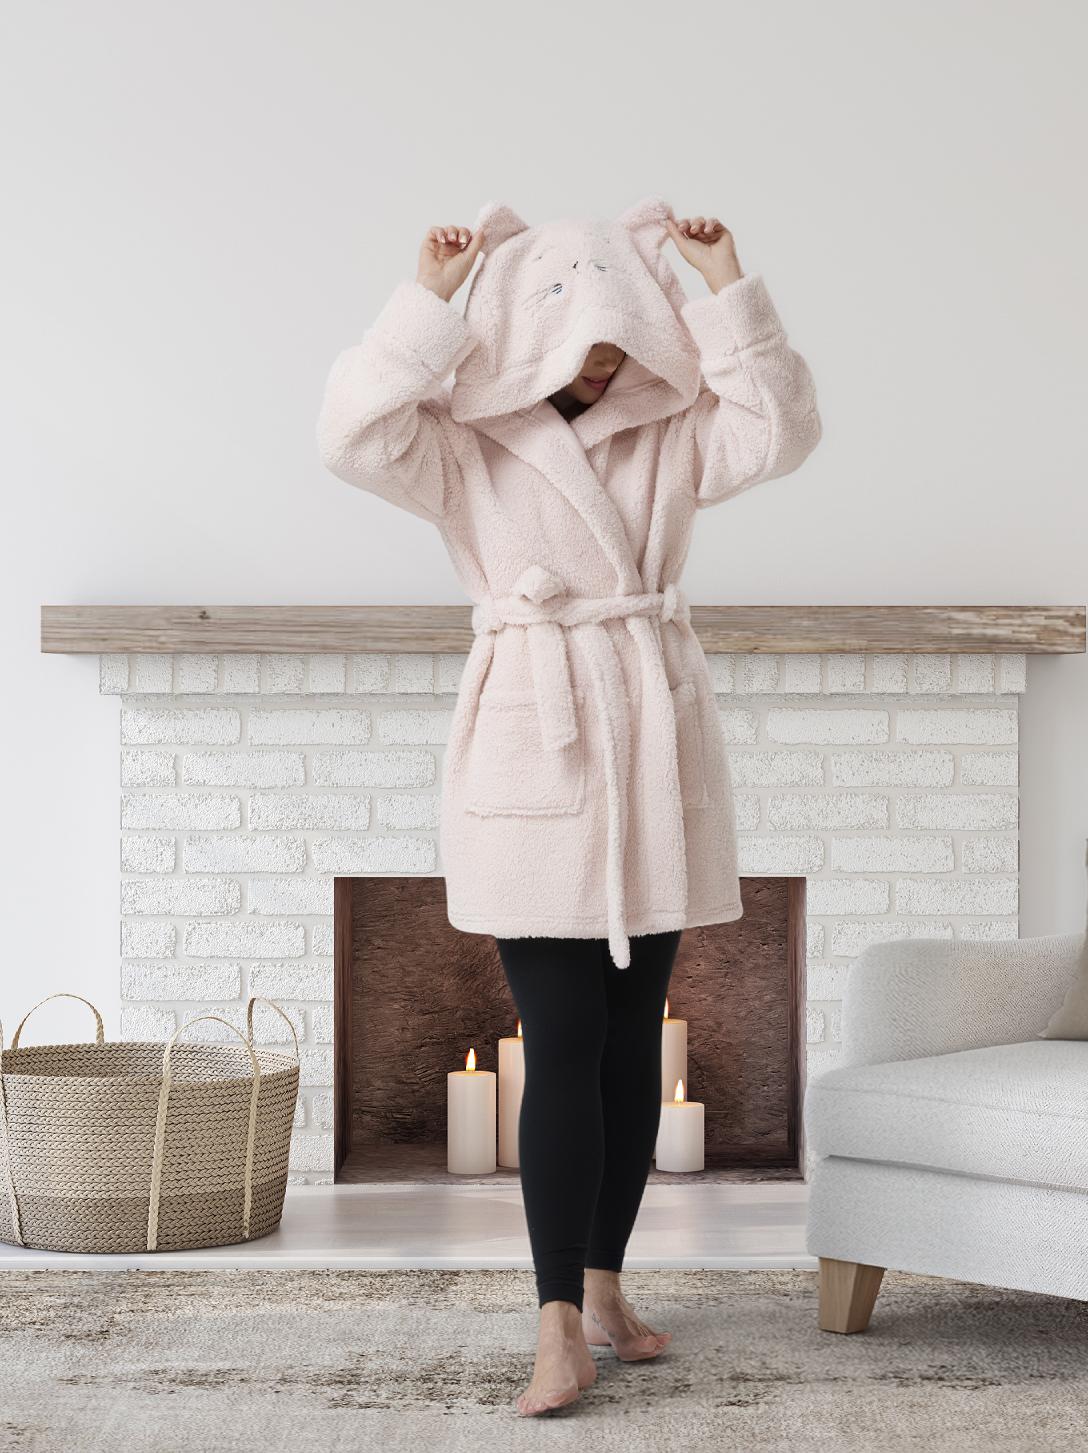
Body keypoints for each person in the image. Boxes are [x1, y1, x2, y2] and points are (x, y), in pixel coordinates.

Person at [316, 201, 821, 1417]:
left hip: (649, 743)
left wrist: (727, 286)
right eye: (577, 338)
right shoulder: (463, 442)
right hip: (534, 744)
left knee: (634, 1036)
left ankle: (603, 1288)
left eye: (617, 336)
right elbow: (350, 436)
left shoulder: (671, 428)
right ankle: (553, 1322)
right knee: (561, 1036)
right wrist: (430, 301)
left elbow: (781, 429)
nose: (598, 362)